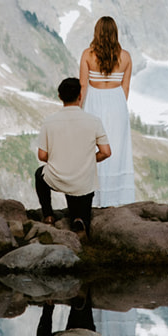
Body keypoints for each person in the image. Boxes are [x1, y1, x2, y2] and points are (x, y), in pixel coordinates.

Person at [34, 76, 111, 233]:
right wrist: (88, 159)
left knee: (39, 174)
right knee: (81, 194)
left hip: (57, 178)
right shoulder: (93, 121)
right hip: (83, 183)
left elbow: (42, 156)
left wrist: (60, 158)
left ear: (60, 97)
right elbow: (106, 152)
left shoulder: (49, 121)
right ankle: (79, 219)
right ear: (80, 96)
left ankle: (48, 215)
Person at [80, 16, 135, 207]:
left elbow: (82, 85)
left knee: (94, 147)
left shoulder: (87, 54)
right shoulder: (126, 57)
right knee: (117, 149)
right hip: (117, 102)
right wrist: (118, 106)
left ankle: (95, 197)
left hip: (94, 100)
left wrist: (79, 110)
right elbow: (125, 88)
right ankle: (117, 199)